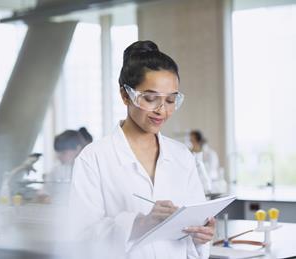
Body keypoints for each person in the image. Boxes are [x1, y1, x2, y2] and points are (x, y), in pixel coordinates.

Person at [69, 41, 215, 258]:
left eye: (171, 100)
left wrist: (202, 234)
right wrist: (140, 223)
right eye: (150, 98)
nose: (162, 110)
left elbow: (195, 230)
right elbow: (81, 239)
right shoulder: (94, 158)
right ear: (125, 95)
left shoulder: (181, 156)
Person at [41, 127, 92, 204]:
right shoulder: (57, 171)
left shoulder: (90, 170)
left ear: (77, 149)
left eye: (63, 152)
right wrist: (48, 199)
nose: (59, 157)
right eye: (58, 153)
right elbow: (42, 194)